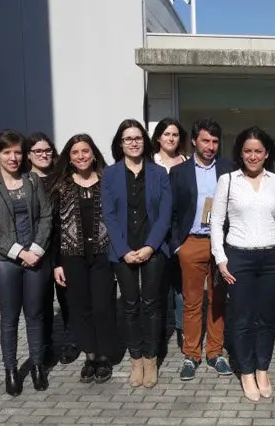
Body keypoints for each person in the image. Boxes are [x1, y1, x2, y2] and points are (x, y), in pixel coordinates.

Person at [210, 126, 275, 401]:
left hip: (271, 258)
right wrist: (221, 259)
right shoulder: (228, 181)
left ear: (266, 153)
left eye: (258, 151)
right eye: (248, 151)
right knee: (244, 319)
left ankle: (262, 369)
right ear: (240, 153)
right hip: (240, 257)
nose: (253, 156)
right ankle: (246, 371)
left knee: (266, 319)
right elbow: (216, 223)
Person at [0, 130, 53, 396]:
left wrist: (38, 249)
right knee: (9, 317)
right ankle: (10, 370)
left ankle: (38, 366)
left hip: (36, 256)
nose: (13, 157)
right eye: (7, 152)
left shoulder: (32, 180)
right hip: (4, 261)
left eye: (18, 152)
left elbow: (46, 216)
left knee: (35, 314)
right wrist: (21, 252)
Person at [102, 119, 172, 388]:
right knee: (130, 306)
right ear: (120, 144)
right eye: (127, 138)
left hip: (152, 248)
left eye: (137, 137)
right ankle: (136, 359)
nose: (133, 142)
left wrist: (150, 246)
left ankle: (151, 358)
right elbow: (109, 215)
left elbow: (165, 215)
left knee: (152, 305)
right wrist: (124, 251)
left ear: (145, 141)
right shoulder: (110, 174)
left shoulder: (159, 173)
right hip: (123, 250)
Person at [50, 134, 117, 384]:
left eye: (85, 151)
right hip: (71, 256)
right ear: (69, 157)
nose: (81, 156)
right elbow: (54, 228)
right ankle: (90, 356)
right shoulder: (61, 186)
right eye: (76, 152)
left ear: (94, 153)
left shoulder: (107, 182)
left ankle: (105, 357)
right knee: (81, 308)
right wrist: (56, 263)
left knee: (102, 307)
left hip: (103, 255)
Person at [169, 118, 233, 381]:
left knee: (217, 300)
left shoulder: (229, 169)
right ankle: (191, 354)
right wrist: (177, 246)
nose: (210, 146)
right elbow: (171, 211)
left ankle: (215, 353)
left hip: (219, 244)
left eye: (215, 141)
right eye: (205, 140)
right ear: (194, 140)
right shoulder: (179, 172)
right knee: (192, 302)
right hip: (191, 243)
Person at [26, 133, 80, 366]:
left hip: (64, 247)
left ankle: (72, 342)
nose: (43, 155)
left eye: (47, 150)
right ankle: (45, 345)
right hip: (36, 249)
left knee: (68, 299)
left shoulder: (63, 177)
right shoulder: (24, 181)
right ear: (29, 155)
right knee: (41, 301)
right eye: (38, 151)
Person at [152, 117, 189, 351]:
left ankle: (181, 328)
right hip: (155, 234)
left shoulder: (186, 163)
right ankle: (158, 332)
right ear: (158, 137)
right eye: (166, 134)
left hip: (180, 234)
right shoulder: (150, 163)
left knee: (181, 287)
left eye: (175, 135)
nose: (171, 138)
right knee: (157, 287)